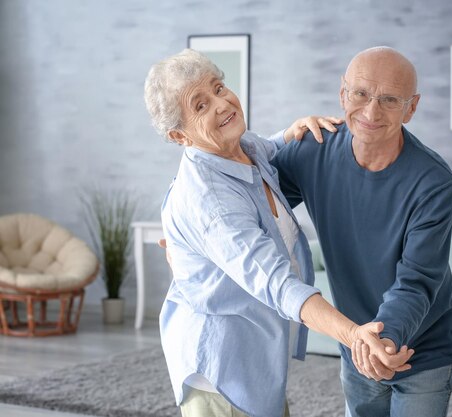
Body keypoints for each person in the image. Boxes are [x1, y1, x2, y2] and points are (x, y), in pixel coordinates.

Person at [143, 48, 414, 417]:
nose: (222, 105)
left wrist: (292, 131)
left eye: (219, 88)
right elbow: (278, 284)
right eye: (200, 106)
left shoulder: (244, 148)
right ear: (179, 135)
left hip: (255, 360)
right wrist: (354, 337)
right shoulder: (212, 203)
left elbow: (268, 149)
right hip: (221, 370)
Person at [272, 46, 452, 417]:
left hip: (419, 349)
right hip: (358, 344)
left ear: (411, 107)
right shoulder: (312, 151)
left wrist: (383, 341)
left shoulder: (434, 182)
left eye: (390, 99)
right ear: (343, 93)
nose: (371, 112)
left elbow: (417, 280)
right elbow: (250, 192)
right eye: (361, 94)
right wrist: (186, 231)